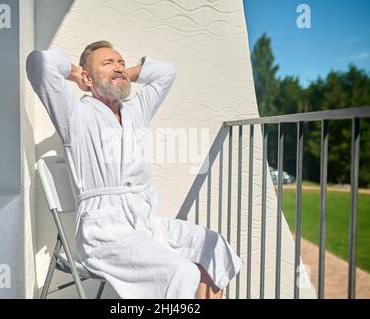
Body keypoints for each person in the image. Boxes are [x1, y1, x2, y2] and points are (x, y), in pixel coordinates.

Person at [26, 41, 242, 299]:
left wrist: (121, 75)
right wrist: (77, 74)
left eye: (121, 63)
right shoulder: (74, 115)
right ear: (87, 76)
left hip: (147, 224)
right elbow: (39, 64)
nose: (118, 67)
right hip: (104, 233)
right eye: (107, 63)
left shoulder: (135, 111)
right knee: (182, 272)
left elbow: (166, 72)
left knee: (214, 247)